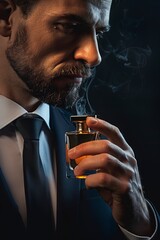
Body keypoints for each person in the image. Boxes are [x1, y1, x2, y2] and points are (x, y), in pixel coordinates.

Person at [0, 0, 159, 239]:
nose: (93, 56)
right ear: (6, 17)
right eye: (70, 26)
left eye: (99, 33)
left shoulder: (105, 147)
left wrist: (139, 224)